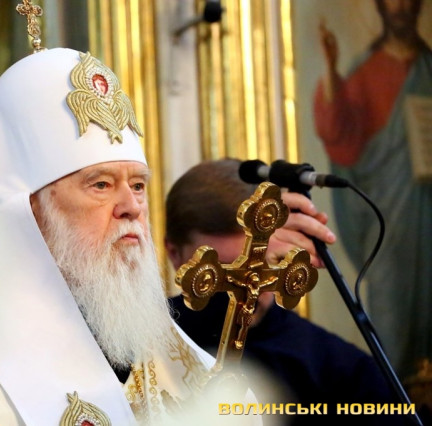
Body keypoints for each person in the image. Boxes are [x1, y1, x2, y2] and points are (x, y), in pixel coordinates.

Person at [0, 43, 268, 423]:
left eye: (138, 185)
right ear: (32, 211)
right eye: (101, 185)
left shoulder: (186, 366)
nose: (132, 206)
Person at [165, 159, 405, 425]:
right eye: (226, 273)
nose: (248, 291)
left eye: (262, 265)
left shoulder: (342, 371)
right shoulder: (143, 349)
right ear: (175, 254)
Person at [313, 0, 432, 378]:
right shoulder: (367, 72)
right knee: (392, 322)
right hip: (390, 225)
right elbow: (339, 134)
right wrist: (331, 70)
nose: (401, 7)